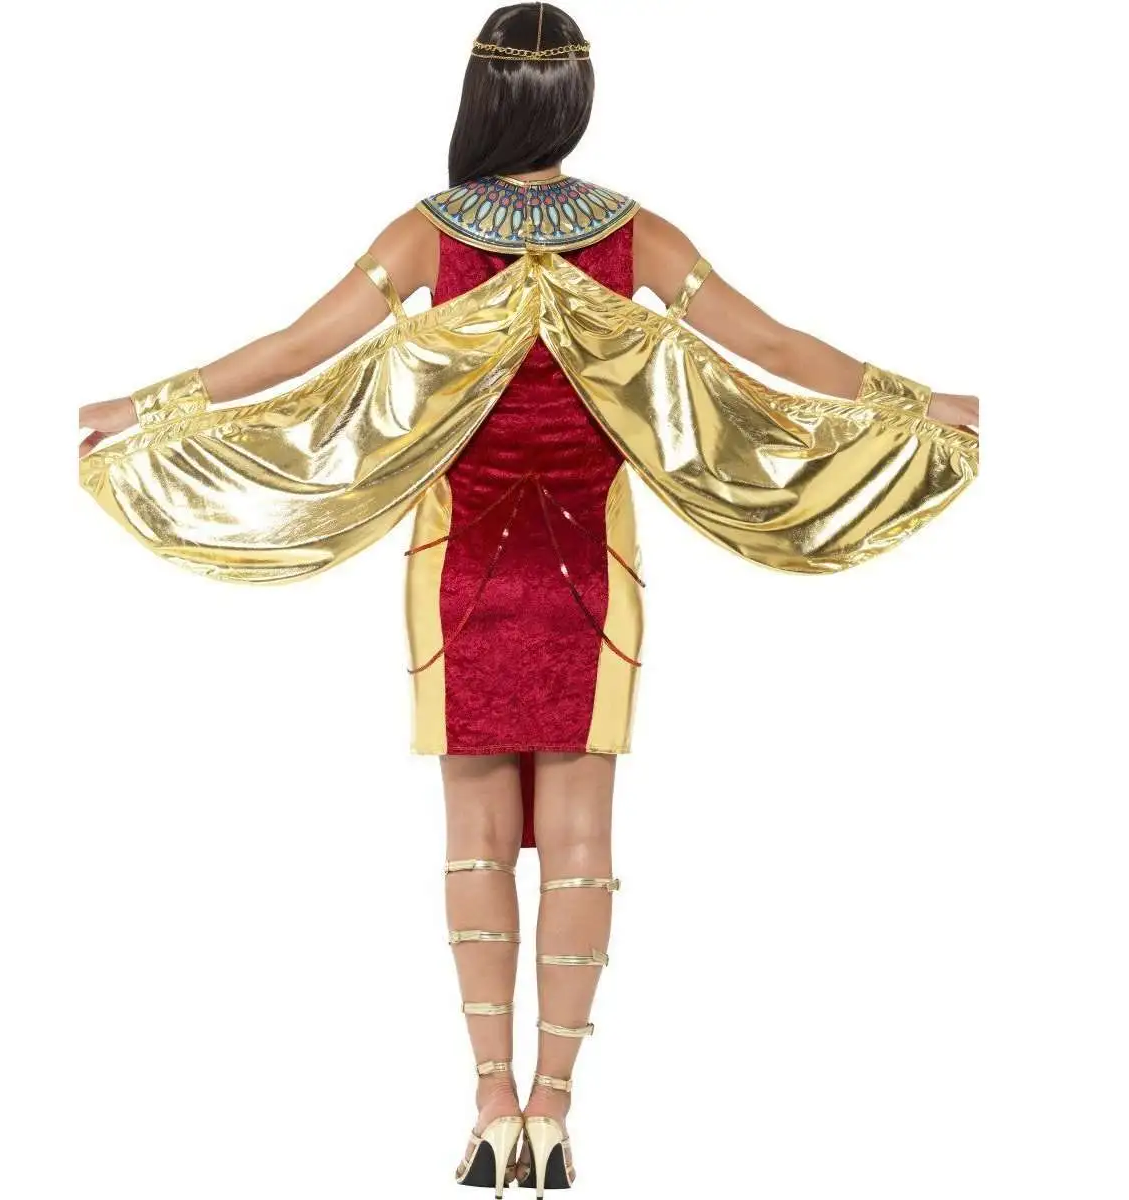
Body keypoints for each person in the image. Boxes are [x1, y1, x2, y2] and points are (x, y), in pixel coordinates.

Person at [77, 3, 980, 1194]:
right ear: (576, 101)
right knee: (584, 840)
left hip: (458, 567)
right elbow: (772, 346)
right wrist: (926, 404)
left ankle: (490, 1100)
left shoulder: (427, 232)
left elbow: (297, 349)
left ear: (482, 98)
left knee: (475, 836)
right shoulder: (634, 234)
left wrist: (145, 408)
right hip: (589, 569)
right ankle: (555, 1111)